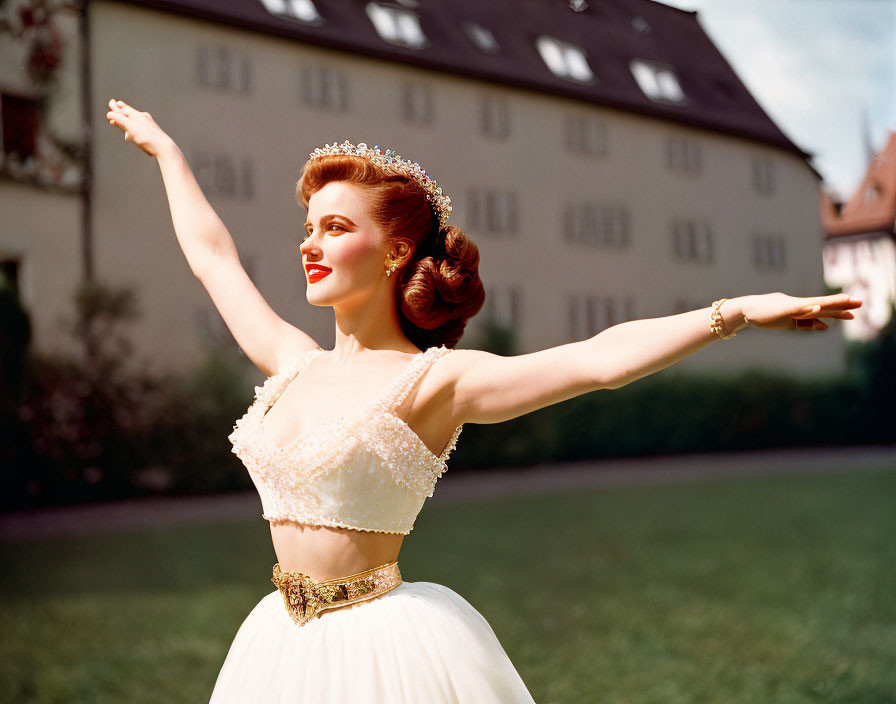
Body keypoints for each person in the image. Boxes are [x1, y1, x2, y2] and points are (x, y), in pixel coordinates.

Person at [105, 98, 862, 703]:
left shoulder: (436, 382)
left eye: (335, 228)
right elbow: (212, 257)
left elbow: (597, 361)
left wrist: (733, 312)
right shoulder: (291, 362)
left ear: (397, 250)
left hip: (381, 655)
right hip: (278, 646)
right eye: (308, 227)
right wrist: (169, 154)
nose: (310, 243)